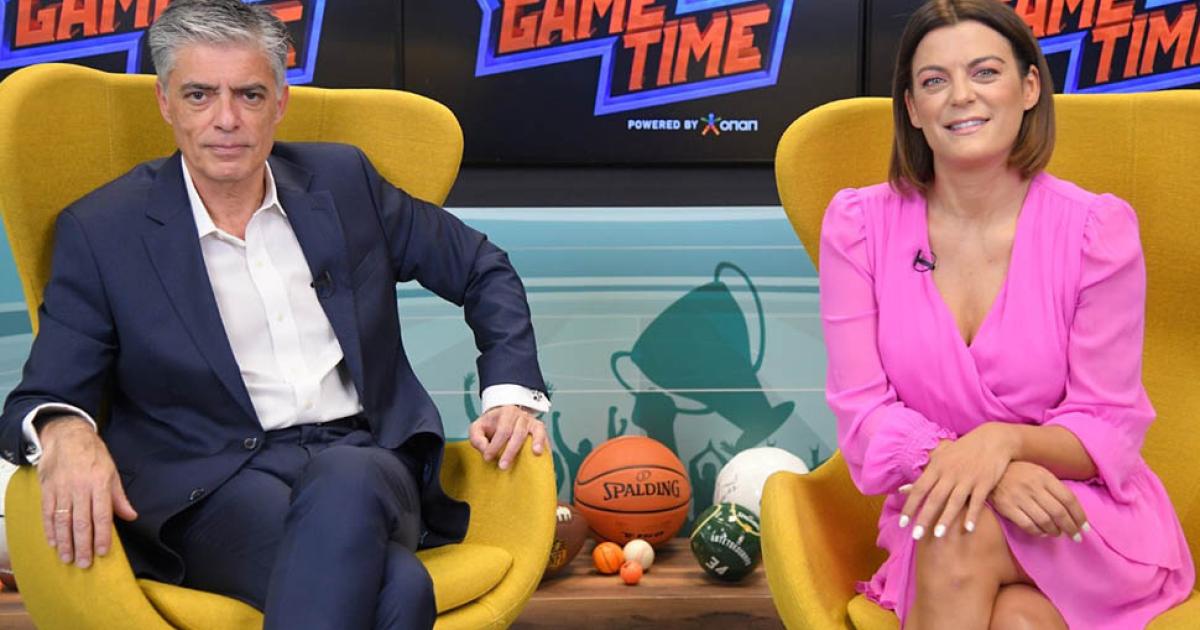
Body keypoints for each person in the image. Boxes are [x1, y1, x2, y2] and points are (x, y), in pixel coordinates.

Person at [0, 1, 552, 628]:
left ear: (280, 102)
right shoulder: (105, 230)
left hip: (367, 459)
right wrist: (64, 432)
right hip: (215, 489)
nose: (226, 119)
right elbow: (41, 394)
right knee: (398, 588)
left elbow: (480, 266)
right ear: (166, 102)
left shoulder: (343, 182)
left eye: (250, 94)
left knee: (348, 474)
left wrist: (511, 392)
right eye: (200, 95)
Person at [818, 1, 1194, 628]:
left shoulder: (1097, 231)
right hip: (940, 506)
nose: (961, 96)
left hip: (1075, 512)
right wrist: (986, 472)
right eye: (934, 81)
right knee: (1014, 617)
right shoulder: (857, 227)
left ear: (1029, 88)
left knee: (955, 530)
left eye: (985, 72)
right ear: (913, 108)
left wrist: (1003, 443)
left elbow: (1107, 425)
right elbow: (863, 420)